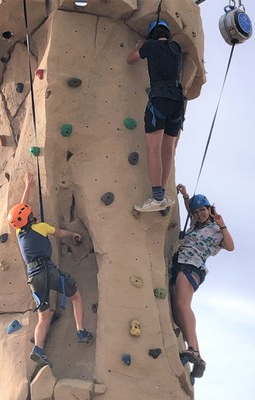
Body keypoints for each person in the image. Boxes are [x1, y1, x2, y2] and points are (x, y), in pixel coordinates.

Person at [7, 173, 93, 367]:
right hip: (48, 271)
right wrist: (74, 235)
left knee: (44, 316)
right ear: (30, 217)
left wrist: (27, 186)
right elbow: (61, 234)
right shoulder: (41, 227)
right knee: (76, 296)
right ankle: (81, 331)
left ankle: (38, 349)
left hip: (33, 279)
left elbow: (19, 213)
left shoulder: (20, 232)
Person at [170, 184, 234, 378]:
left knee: (182, 304)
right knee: (177, 308)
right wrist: (185, 195)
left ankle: (194, 349)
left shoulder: (215, 229)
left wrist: (222, 225)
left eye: (203, 210)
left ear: (209, 209)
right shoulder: (194, 227)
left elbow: (230, 247)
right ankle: (198, 357)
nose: (199, 214)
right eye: (196, 212)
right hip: (180, 264)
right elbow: (191, 206)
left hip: (192, 266)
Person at [127, 19, 185, 212]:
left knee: (153, 149)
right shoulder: (176, 48)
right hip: (177, 102)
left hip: (159, 99)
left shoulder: (150, 46)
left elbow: (131, 59)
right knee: (168, 150)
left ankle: (157, 196)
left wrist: (140, 47)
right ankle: (162, 193)